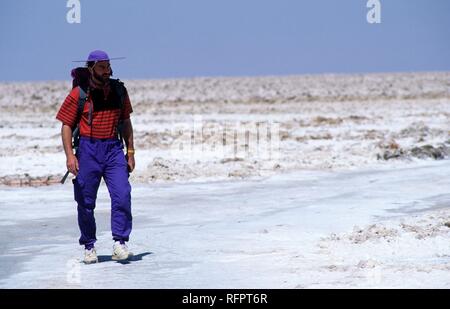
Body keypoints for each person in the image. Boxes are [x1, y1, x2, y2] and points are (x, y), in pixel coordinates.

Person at [56, 50, 135, 264]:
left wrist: (130, 151)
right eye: (102, 67)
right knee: (85, 201)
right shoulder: (79, 94)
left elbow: (126, 122)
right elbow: (66, 126)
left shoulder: (119, 90)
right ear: (91, 68)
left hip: (112, 149)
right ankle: (89, 245)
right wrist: (70, 156)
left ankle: (120, 242)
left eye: (108, 66)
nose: (107, 70)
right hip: (88, 151)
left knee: (122, 195)